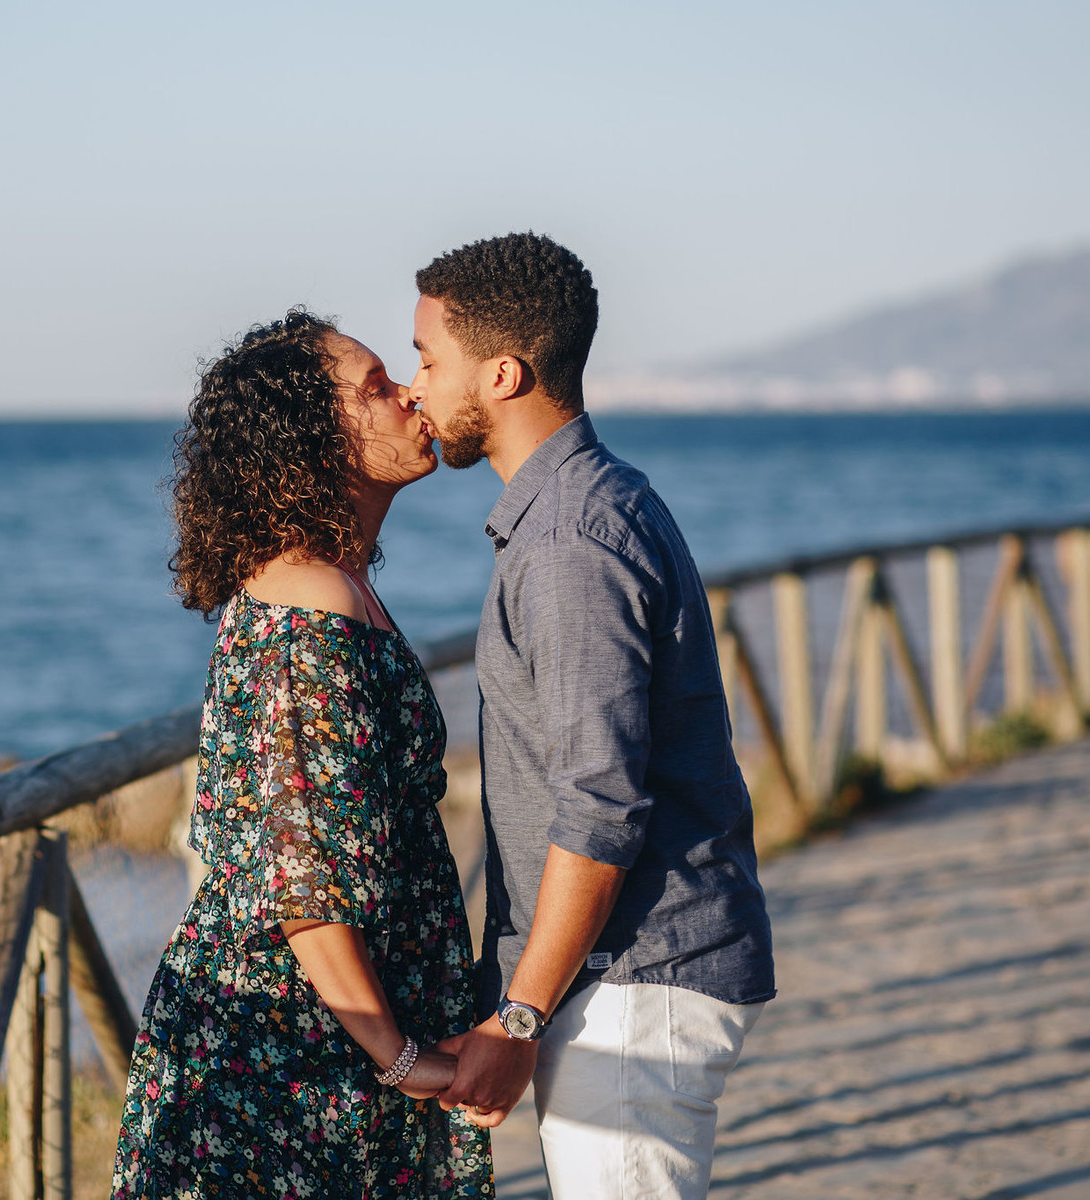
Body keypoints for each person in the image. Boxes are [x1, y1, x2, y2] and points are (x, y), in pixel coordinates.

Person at [407, 233, 776, 1200]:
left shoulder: (572, 541)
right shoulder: (580, 510)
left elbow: (600, 803)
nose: (417, 387)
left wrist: (517, 1020)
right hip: (620, 976)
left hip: (635, 982)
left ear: (502, 372)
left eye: (428, 359)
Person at [111, 311, 494, 1198]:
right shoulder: (312, 603)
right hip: (290, 1055)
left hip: (320, 1037)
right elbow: (305, 884)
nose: (407, 392)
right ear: (312, 443)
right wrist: (405, 1063)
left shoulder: (337, 580)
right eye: (373, 388)